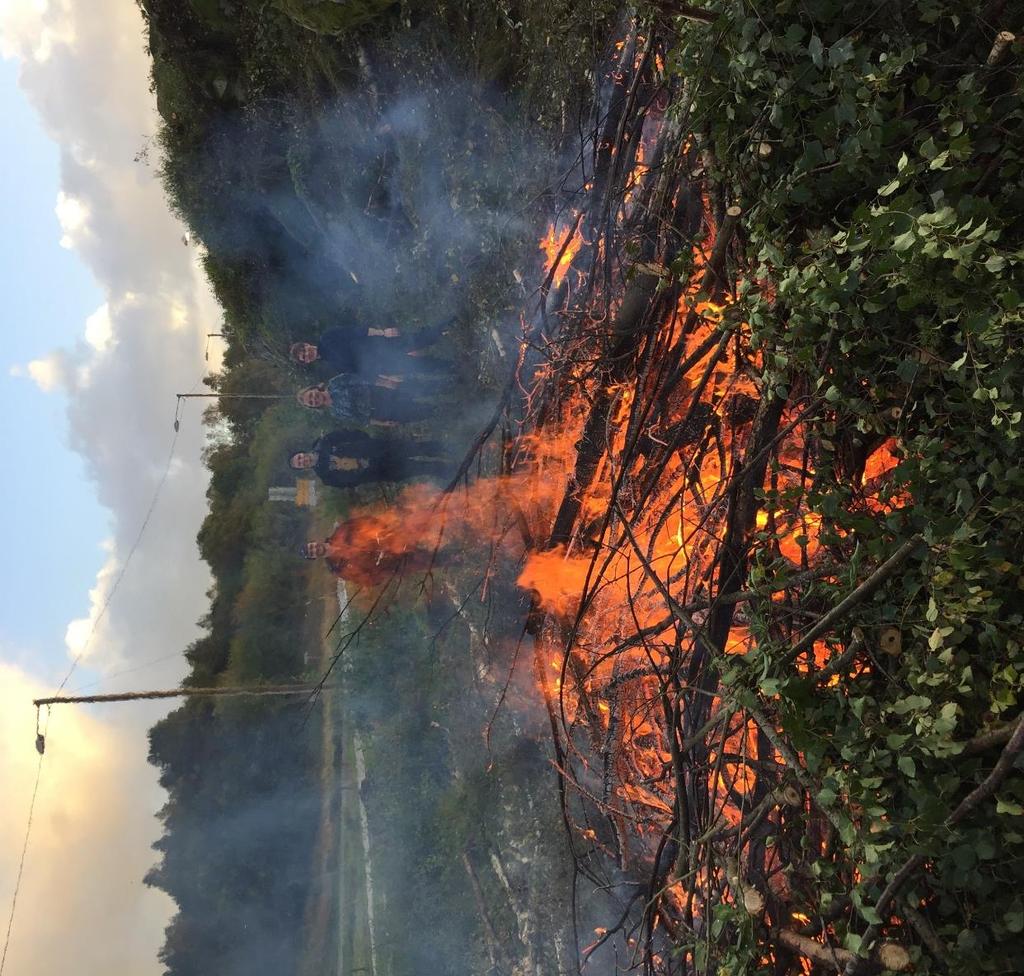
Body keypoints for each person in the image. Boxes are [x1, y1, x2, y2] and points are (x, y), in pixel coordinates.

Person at [289, 316, 452, 378]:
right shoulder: (332, 365)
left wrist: (383, 333)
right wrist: (386, 377)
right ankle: (454, 365)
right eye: (304, 358)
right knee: (420, 366)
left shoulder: (327, 337)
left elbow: (354, 331)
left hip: (380, 345)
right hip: (383, 365)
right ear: (307, 362)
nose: (307, 354)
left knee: (418, 340)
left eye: (304, 350)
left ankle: (450, 323)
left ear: (307, 344)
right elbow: (359, 372)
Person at [301, 521, 445, 588]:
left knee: (427, 539)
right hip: (392, 565)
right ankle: (458, 558)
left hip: (392, 540)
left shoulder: (341, 531)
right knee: (429, 562)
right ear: (314, 557)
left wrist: (382, 530)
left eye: (311, 546)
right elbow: (366, 580)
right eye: (311, 552)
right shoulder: (338, 568)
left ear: (314, 542)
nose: (314, 549)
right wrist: (379, 570)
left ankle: (455, 541)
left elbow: (365, 521)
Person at [290, 429, 449, 488]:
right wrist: (361, 470)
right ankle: (449, 471)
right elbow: (349, 483)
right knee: (418, 468)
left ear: (303, 452)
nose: (303, 460)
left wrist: (366, 443)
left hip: (378, 449)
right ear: (303, 468)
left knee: (415, 448)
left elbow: (348, 434)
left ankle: (448, 448)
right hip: (378, 472)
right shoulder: (325, 476)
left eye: (300, 457)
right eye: (300, 464)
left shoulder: (325, 442)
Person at [296, 371, 446, 425]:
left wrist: (386, 382)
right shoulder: (335, 412)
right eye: (311, 402)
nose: (314, 399)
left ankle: (451, 384)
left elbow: (360, 378)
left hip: (379, 392)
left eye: (311, 395)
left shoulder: (335, 383)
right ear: (314, 407)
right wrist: (383, 423)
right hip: (379, 412)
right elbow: (361, 419)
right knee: (417, 412)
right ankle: (447, 409)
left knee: (418, 390)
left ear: (314, 389)